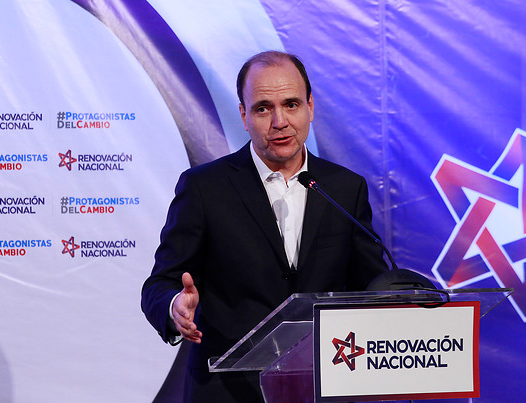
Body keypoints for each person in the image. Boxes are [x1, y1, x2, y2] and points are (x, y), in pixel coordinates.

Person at [141, 50, 389, 402]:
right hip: (227, 391)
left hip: (324, 385)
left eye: (291, 104)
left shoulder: (345, 188)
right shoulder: (204, 188)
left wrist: (399, 302)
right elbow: (160, 284)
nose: (280, 121)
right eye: (262, 108)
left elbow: (369, 286)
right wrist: (174, 307)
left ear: (310, 107)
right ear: (244, 115)